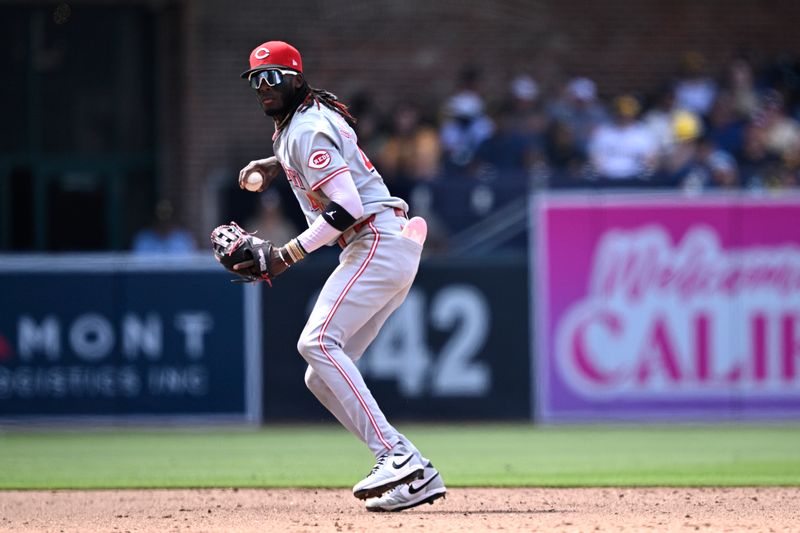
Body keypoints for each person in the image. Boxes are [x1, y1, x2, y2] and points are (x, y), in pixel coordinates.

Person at [235, 40, 446, 512]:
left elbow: (348, 205)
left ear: (296, 78)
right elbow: (330, 155)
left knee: (316, 342)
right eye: (255, 80)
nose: (264, 87)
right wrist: (279, 165)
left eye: (273, 77)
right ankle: (416, 474)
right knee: (319, 375)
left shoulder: (305, 127)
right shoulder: (301, 126)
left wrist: (287, 254)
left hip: (374, 240)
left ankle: (396, 455)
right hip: (385, 244)